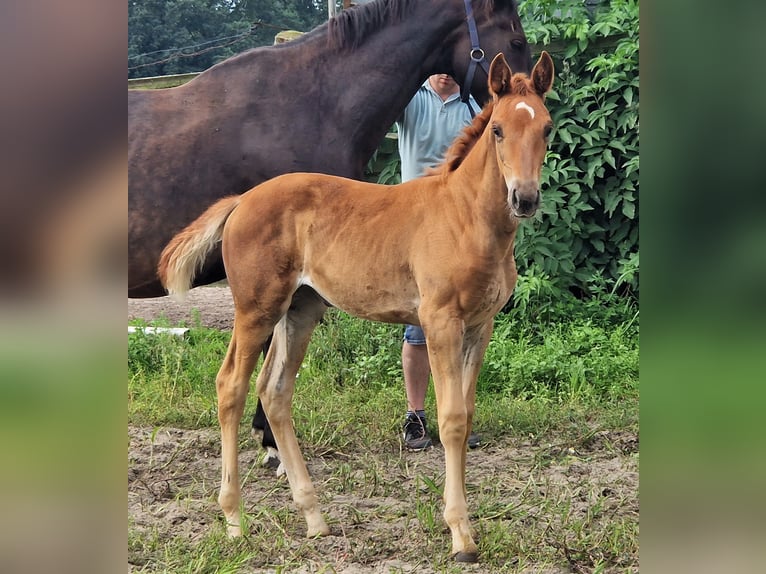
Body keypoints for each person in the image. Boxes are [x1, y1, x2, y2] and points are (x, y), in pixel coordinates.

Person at [396, 73, 481, 451]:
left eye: (451, 66)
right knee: (420, 327)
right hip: (415, 220)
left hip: (462, 221)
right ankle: (416, 415)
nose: (445, 72)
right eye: (438, 66)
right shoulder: (412, 99)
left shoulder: (473, 105)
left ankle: (458, 415)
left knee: (468, 320)